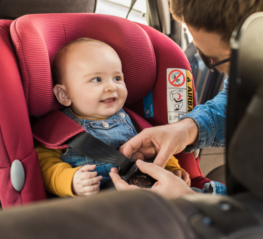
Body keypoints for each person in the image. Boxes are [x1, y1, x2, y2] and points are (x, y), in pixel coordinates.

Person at [111, 0, 263, 198]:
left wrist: (194, 202)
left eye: (213, 58)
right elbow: (242, 96)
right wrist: (187, 129)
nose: (212, 66)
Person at [35, 37, 190, 197]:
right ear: (64, 94)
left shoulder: (134, 121)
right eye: (96, 79)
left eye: (117, 78)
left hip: (148, 195)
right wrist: (72, 181)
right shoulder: (59, 130)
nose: (111, 87)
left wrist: (172, 169)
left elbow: (158, 148)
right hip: (101, 204)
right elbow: (45, 165)